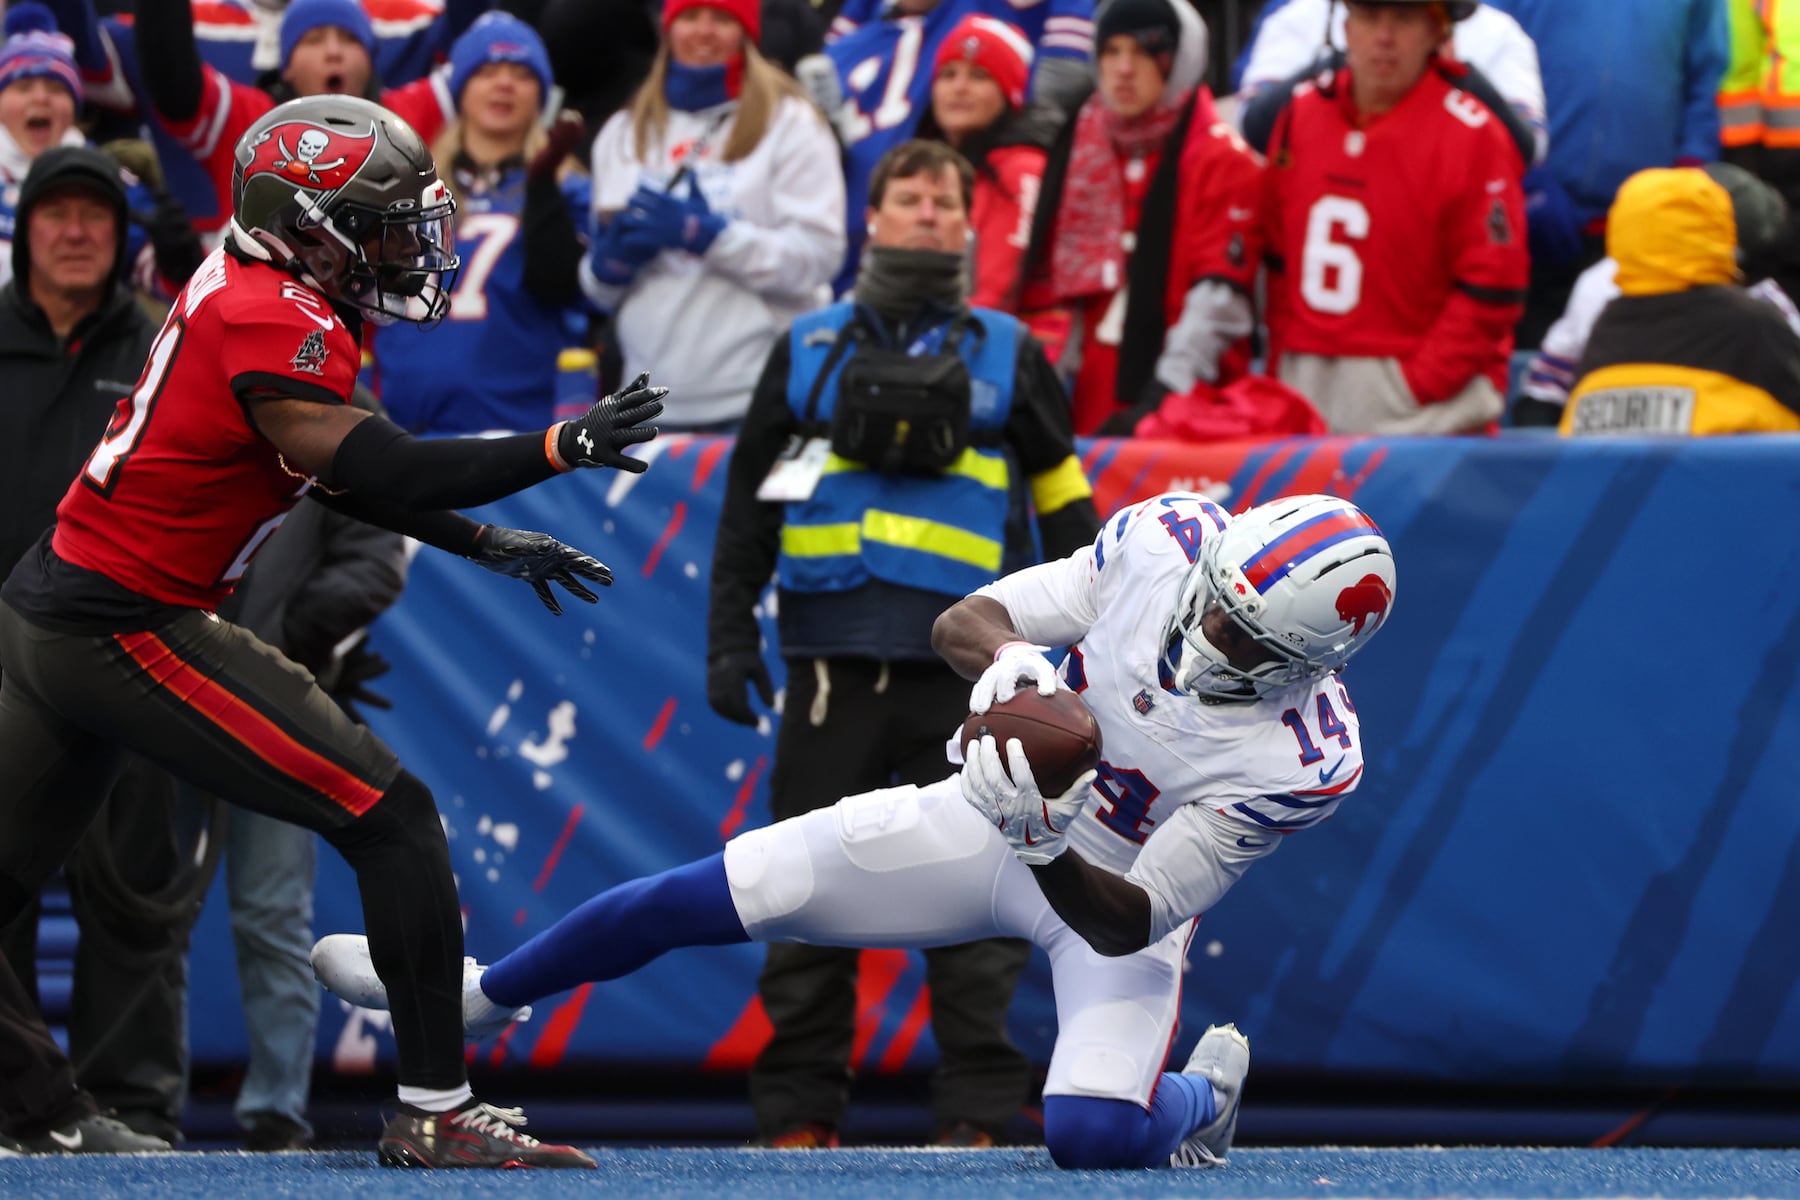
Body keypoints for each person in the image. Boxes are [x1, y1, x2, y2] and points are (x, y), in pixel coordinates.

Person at [313, 489, 1399, 1171]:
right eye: (1215, 602)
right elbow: (965, 620)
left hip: (1099, 887)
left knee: (1090, 1139)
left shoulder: (1303, 757)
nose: (1205, 633)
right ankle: (484, 996)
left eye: (1241, 637)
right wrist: (1017, 667)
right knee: (717, 890)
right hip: (979, 817)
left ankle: (1202, 1097)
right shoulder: (1169, 542)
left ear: (1308, 665)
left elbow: (1131, 921)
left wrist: (1042, 840)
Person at [0, 92, 669, 1169]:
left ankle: (32, 1113)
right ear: (303, 222)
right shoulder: (277, 315)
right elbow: (380, 463)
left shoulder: (259, 288)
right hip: (124, 622)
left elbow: (324, 468)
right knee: (391, 816)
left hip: (52, 609)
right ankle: (437, 1107)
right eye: (384, 221)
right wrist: (558, 445)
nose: (407, 245)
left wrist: (488, 545)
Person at [705, 138, 1100, 1149]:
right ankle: (797, 1119)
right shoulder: (804, 348)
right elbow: (748, 504)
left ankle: (974, 1118)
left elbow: (1065, 505)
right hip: (829, 674)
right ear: (869, 220)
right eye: (909, 198)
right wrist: (728, 641)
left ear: (970, 226)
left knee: (983, 903)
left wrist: (1083, 645)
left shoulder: (1011, 350)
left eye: (944, 202)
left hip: (968, 687)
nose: (927, 214)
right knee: (797, 897)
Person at [0, 144, 180, 1155]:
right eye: (55, 213)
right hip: (1, 672)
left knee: (136, 898)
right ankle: (18, 1113)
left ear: (123, 238)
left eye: (96, 216)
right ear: (25, 229)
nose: (75, 231)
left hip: (139, 664)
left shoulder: (165, 350)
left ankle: (136, 1109)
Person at [177, 403, 411, 1152]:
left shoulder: (338, 422)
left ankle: (274, 1111)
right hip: (164, 689)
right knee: (143, 909)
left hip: (258, 707)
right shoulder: (184, 403)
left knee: (267, 911)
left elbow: (373, 566)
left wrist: (275, 652)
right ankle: (136, 1102)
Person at [1259, 0, 1528, 434]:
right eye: (1369, 17)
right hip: (1304, 385)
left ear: (1436, 34)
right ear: (1345, 29)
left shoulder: (1476, 134)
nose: (1383, 37)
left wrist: (1412, 386)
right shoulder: (1298, 114)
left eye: (1403, 19)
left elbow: (1494, 288)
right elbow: (1274, 259)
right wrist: (1284, 365)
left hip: (1418, 408)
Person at [582, 0, 845, 432]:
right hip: (645, 405)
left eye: (722, 18)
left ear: (746, 32)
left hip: (757, 397)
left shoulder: (791, 123)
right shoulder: (623, 132)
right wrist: (608, 267)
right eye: (689, 17)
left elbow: (820, 257)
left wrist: (711, 237)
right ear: (668, 30)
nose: (704, 31)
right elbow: (598, 293)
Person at [1018, 0, 1264, 435]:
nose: (1124, 69)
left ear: (1179, 60)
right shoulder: (1083, 142)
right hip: (1084, 395)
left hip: (1184, 413)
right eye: (1111, 52)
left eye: (1143, 52)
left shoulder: (1222, 159)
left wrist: (1161, 397)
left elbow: (1219, 301)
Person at [366, 14, 594, 434]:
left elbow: (576, 290)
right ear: (461, 88)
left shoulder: (570, 187)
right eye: (487, 72)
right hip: (404, 432)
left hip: (516, 431)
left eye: (522, 74)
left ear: (542, 94)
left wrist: (543, 193)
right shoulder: (409, 190)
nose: (504, 84)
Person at [1482, 0, 1729, 348]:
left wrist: (1690, 170)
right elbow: (1480, 64)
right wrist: (1524, 176)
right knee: (1530, 379)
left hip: (1642, 240)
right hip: (1533, 226)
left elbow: (1705, 78)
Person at [130, 0, 456, 237]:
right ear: (285, 65)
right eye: (313, 40)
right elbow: (172, 79)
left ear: (371, 60)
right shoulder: (254, 119)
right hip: (271, 311)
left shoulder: (404, 117)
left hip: (384, 323)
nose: (333, 51)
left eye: (349, 39)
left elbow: (479, 67)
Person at [1517, 161, 1795, 422]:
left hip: (1610, 466)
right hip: (1716, 467)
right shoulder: (1753, 315)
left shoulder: (1606, 313)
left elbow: (1541, 400)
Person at [0, 6, 206, 295]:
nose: (41, 98)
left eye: (56, 89)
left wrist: (178, 261)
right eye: (23, 88)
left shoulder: (107, 177)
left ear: (75, 107)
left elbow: (166, 287)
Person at [1234, 0, 1546, 168]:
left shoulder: (1498, 33)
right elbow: (1252, 125)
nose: (1384, 34)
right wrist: (1342, 65)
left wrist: (1456, 76)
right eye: (1370, 16)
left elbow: (1529, 148)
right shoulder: (1302, 16)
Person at [915, 13, 1062, 311]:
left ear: (1010, 94)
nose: (959, 87)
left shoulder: (1024, 169)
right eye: (948, 74)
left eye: (979, 76)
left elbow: (996, 294)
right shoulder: (929, 165)